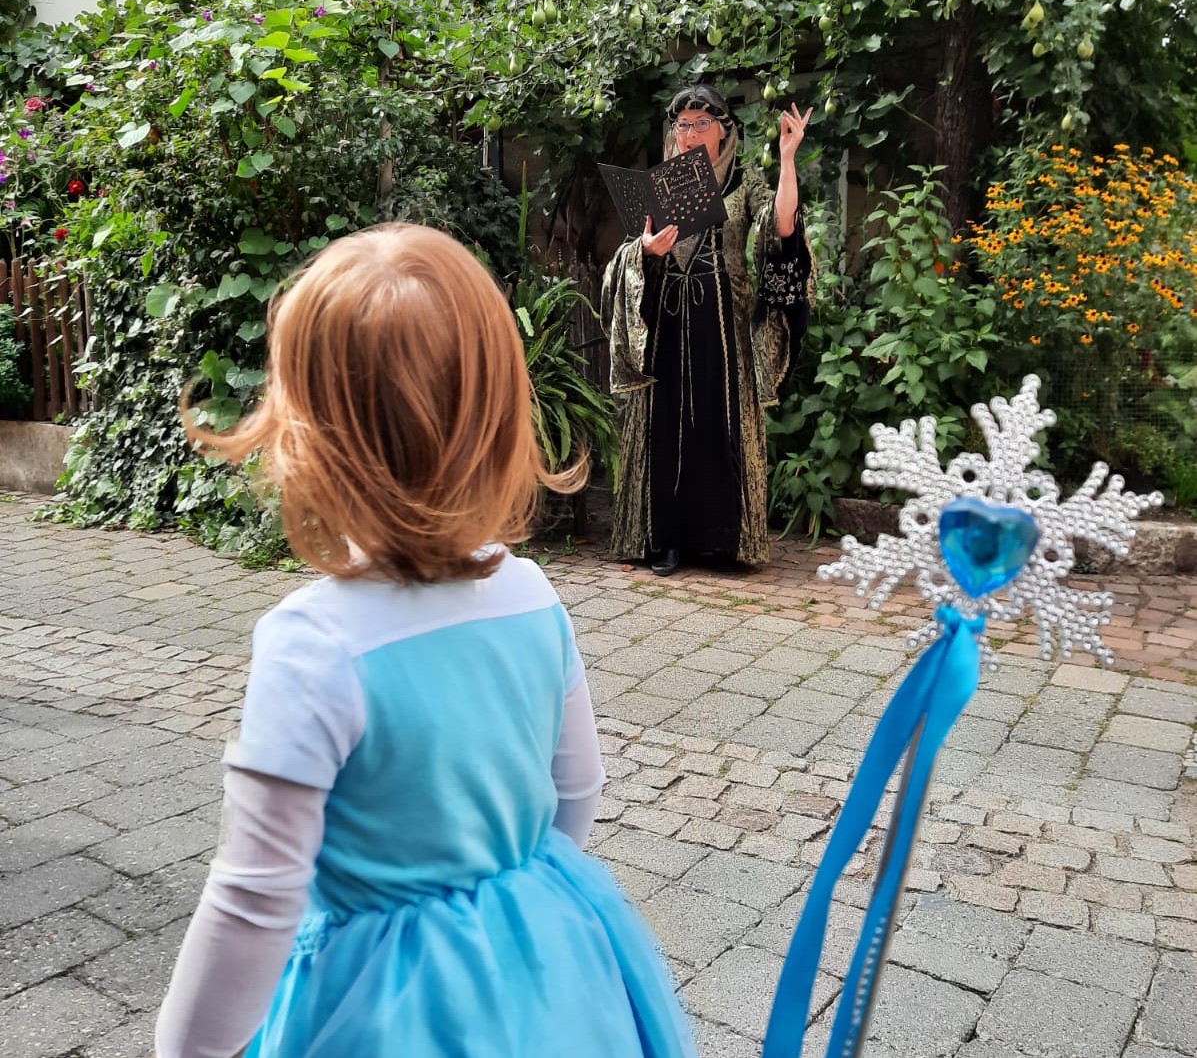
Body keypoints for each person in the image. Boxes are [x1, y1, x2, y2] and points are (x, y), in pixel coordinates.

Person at [153, 224, 697, 1058]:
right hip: (545, 973)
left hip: (376, 1004)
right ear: (498, 418)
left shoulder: (313, 644)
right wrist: (506, 906)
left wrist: (184, 1047)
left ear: (311, 434)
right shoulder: (531, 595)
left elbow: (254, 901)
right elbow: (577, 789)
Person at [601, 84, 814, 576]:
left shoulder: (742, 182)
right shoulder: (657, 186)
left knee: (719, 428)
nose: (691, 134)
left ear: (723, 130)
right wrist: (645, 251)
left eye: (702, 123)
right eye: (683, 125)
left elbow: (782, 228)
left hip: (723, 328)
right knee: (665, 427)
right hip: (666, 323)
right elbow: (627, 258)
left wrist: (787, 160)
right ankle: (664, 541)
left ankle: (721, 542)